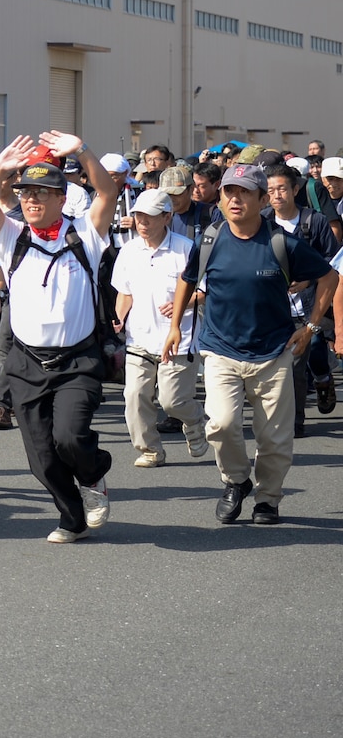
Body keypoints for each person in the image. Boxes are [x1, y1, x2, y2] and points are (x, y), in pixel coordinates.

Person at [0, 134, 122, 543]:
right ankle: (71, 517)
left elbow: (107, 192)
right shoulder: (12, 237)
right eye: (25, 193)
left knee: (70, 438)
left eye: (42, 192)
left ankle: (93, 477)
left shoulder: (85, 235)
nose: (32, 199)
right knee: (41, 457)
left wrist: (81, 151)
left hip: (77, 361)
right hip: (25, 363)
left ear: (62, 197)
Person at [170, 164, 333, 525]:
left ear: (262, 200)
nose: (235, 199)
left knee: (274, 439)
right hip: (221, 349)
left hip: (273, 353)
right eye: (229, 191)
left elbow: (329, 276)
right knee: (222, 425)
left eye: (244, 192)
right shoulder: (210, 240)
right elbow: (187, 279)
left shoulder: (282, 243)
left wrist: (309, 327)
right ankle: (237, 481)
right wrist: (174, 327)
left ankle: (268, 500)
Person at [108, 188, 207, 467]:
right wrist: (118, 318)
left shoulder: (186, 249)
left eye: (149, 217)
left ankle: (195, 421)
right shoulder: (128, 250)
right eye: (138, 216)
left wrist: (183, 303)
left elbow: (205, 291)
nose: (142, 222)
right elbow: (124, 292)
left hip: (179, 338)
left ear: (167, 217)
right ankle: (150, 450)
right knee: (134, 396)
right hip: (139, 337)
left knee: (172, 401)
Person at [263, 164, 338, 437]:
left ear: (295, 189)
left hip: (309, 306)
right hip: (273, 308)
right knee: (275, 366)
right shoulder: (262, 221)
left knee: (302, 359)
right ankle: (280, 417)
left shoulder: (313, 221)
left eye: (282, 189)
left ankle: (296, 419)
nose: (276, 195)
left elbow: (333, 262)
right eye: (270, 190)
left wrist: (308, 280)